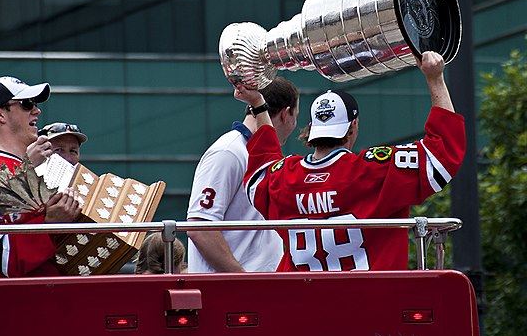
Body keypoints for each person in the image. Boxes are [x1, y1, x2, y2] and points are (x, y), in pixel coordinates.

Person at [235, 51, 466, 272]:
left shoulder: (284, 178)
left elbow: (260, 170)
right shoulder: (374, 169)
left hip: (304, 306)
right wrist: (435, 79)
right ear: (353, 126)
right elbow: (443, 152)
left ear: (311, 131)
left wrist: (258, 104)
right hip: (370, 304)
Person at [0, 76, 82, 278]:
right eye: (26, 104)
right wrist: (49, 223)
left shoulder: (42, 166)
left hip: (58, 295)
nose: (37, 110)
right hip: (21, 302)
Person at [186, 76, 300, 272]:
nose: (294, 124)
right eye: (296, 116)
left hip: (253, 290)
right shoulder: (228, 152)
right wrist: (242, 279)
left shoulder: (249, 154)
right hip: (231, 293)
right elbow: (199, 228)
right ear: (285, 114)